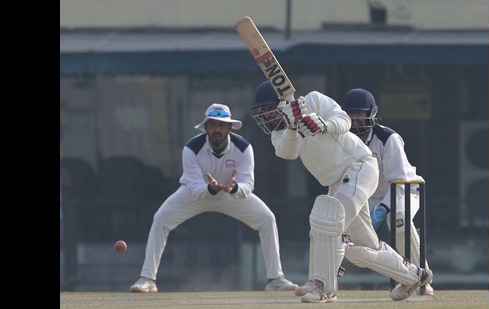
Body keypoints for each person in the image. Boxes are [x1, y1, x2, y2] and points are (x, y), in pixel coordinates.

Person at [249, 81, 433, 303]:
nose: (267, 115)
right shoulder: (279, 132)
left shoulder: (314, 100)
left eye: (269, 108)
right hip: (339, 180)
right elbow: (287, 153)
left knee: (327, 222)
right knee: (359, 249)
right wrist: (292, 126)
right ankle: (414, 275)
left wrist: (324, 125)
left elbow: (344, 120)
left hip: (358, 166)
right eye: (264, 111)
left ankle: (324, 286)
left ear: (281, 103)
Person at [130, 103, 298, 293]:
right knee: (161, 218)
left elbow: (248, 184)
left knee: (267, 219)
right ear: (206, 127)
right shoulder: (192, 148)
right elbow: (193, 187)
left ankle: (275, 279)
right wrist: (210, 189)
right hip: (196, 194)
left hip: (230, 194)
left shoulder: (243, 148)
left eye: (221, 125)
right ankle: (147, 279)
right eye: (213, 125)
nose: (217, 129)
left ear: (229, 127)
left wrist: (235, 188)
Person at [341, 88, 434, 296]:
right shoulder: (344, 141)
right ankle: (406, 276)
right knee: (345, 233)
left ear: (371, 114)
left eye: (360, 113)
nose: (356, 119)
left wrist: (382, 210)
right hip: (368, 197)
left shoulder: (388, 138)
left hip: (405, 190)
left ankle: (423, 280)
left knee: (398, 220)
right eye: (351, 114)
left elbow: (398, 181)